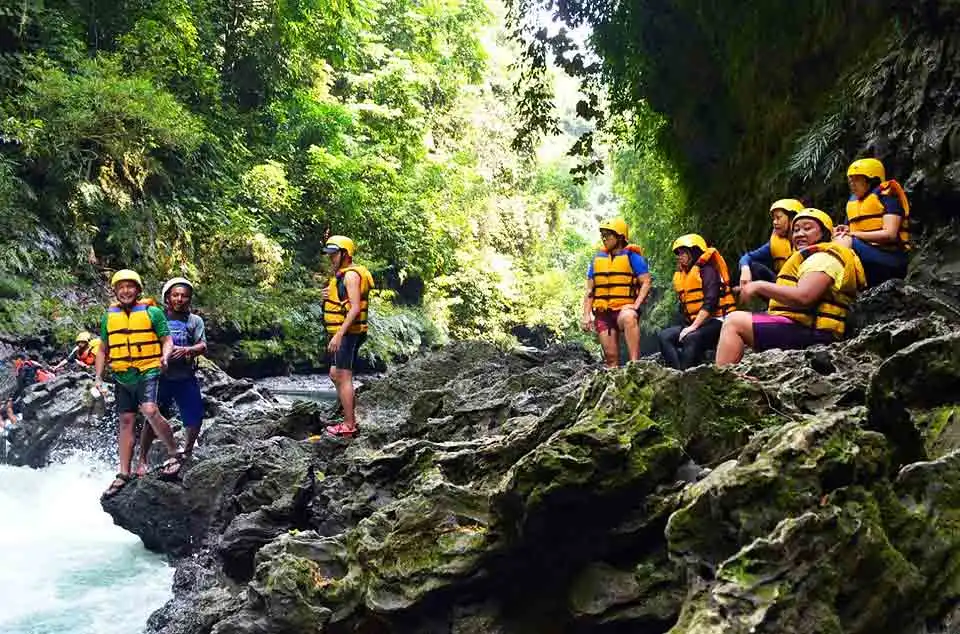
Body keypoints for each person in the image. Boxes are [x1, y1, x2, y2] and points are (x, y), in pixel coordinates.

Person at [716, 209, 866, 366]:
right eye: (796, 230)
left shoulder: (825, 258)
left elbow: (805, 297)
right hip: (802, 326)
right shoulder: (812, 257)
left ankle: (723, 381)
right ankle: (731, 378)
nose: (800, 234)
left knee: (734, 322)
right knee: (740, 320)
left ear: (824, 233)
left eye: (807, 228)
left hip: (816, 334)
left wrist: (759, 286)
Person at [95, 269, 182, 498]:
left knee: (150, 410)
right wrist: (98, 377)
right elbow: (103, 349)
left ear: (138, 290)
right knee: (125, 420)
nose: (125, 291)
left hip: (148, 369)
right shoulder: (108, 317)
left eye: (130, 286)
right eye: (121, 287)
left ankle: (173, 452)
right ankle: (123, 473)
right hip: (123, 375)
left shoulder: (152, 312)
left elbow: (167, 339)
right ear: (114, 291)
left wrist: (164, 357)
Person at [135, 277, 207, 474]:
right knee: (152, 419)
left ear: (190, 299)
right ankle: (141, 460)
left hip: (185, 376)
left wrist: (186, 350)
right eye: (175, 295)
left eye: (184, 296)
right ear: (167, 297)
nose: (180, 299)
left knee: (194, 417)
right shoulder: (158, 318)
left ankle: (187, 451)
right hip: (160, 378)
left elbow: (202, 346)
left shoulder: (195, 321)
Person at [581, 218, 652, 367]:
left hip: (623, 310)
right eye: (603, 235)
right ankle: (614, 382)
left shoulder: (633, 257)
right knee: (611, 359)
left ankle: (635, 365)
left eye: (608, 235)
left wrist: (636, 305)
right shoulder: (596, 260)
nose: (604, 238)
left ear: (620, 237)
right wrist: (586, 315)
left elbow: (646, 282)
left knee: (629, 316)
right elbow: (590, 290)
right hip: (603, 313)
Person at [322, 236, 374, 438]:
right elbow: (340, 302)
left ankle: (349, 425)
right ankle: (347, 416)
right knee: (335, 374)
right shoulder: (340, 276)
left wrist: (338, 335)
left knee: (343, 376)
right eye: (330, 254)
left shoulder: (351, 276)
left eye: (334, 254)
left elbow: (353, 310)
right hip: (343, 333)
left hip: (348, 333)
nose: (331, 258)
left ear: (345, 254)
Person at [659, 234, 736, 369]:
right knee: (665, 336)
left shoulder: (708, 271)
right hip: (698, 324)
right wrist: (690, 326)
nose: (679, 256)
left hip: (718, 321)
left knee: (691, 337)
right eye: (678, 253)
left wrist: (693, 327)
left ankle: (684, 376)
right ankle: (678, 373)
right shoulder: (685, 275)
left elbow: (710, 303)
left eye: (683, 252)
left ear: (694, 252)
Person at [833, 158, 910, 286]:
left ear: (872, 179)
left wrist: (853, 234)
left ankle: (835, 280)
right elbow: (849, 231)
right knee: (836, 236)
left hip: (891, 258)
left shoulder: (887, 197)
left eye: (857, 179)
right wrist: (844, 230)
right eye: (850, 180)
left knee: (844, 240)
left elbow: (890, 234)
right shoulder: (853, 202)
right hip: (867, 253)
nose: (852, 184)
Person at [738, 198, 806, 284]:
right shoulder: (775, 243)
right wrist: (745, 269)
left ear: (793, 219)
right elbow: (747, 257)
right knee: (753, 267)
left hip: (804, 287)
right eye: (773, 219)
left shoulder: (810, 242)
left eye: (778, 218)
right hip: (782, 286)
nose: (774, 222)